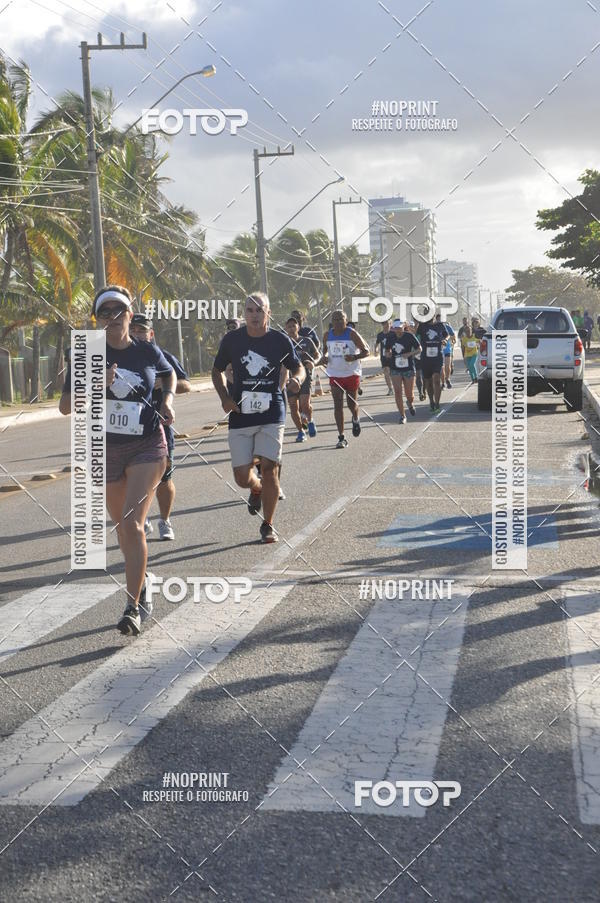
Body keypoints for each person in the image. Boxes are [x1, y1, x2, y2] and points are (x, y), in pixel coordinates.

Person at [59, 285, 176, 636]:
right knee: (123, 531)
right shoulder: (85, 353)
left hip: (147, 444)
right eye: (104, 313)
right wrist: (96, 383)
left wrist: (167, 400)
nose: (112, 318)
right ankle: (144, 580)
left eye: (118, 311)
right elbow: (65, 406)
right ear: (97, 319)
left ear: (130, 314)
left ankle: (132, 606)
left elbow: (168, 373)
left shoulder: (147, 350)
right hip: (105, 449)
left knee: (132, 523)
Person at [212, 292, 305, 543]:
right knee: (242, 478)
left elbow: (298, 366)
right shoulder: (232, 340)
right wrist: (224, 397)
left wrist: (297, 379)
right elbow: (216, 370)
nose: (254, 315)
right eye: (250, 310)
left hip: (272, 411)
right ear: (244, 313)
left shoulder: (279, 340)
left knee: (270, 468)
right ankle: (256, 487)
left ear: (268, 313)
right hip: (241, 413)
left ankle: (268, 524)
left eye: (259, 310)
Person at [130, 313, 191, 541]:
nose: (136, 334)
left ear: (151, 334)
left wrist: (163, 386)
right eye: (132, 330)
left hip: (159, 428)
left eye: (141, 331)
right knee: (131, 480)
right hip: (129, 431)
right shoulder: (117, 356)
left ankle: (165, 520)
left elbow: (185, 384)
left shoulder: (161, 357)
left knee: (164, 479)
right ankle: (141, 518)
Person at [320, 309, 369, 448]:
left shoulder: (352, 334)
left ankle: (355, 418)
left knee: (351, 404)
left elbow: (366, 351)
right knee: (337, 404)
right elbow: (324, 351)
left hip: (351, 373)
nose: (338, 322)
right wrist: (324, 357)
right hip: (334, 374)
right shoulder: (327, 335)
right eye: (335, 319)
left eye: (341, 319)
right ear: (331, 322)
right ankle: (341, 437)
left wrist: (354, 357)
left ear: (346, 321)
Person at [284, 317, 319, 441]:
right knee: (293, 406)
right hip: (290, 378)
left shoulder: (307, 341)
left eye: (294, 326)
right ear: (285, 329)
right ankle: (301, 431)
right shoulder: (284, 343)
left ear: (298, 327)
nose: (291, 328)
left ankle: (310, 420)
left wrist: (313, 362)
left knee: (305, 405)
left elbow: (317, 355)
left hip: (305, 376)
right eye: (289, 327)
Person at [383, 320, 421, 423]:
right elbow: (387, 350)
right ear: (393, 329)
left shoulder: (409, 336)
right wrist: (388, 354)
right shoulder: (390, 337)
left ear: (403, 327)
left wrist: (409, 354)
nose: (398, 330)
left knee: (409, 394)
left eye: (400, 328)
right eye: (396, 328)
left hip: (408, 368)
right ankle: (402, 415)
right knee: (398, 392)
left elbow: (419, 349)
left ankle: (410, 403)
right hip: (395, 368)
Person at [416, 314, 449, 413]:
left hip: (437, 356)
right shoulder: (422, 326)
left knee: (436, 380)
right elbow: (416, 336)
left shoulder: (440, 325)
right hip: (425, 358)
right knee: (428, 382)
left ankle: (437, 404)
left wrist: (445, 339)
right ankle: (431, 402)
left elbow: (446, 335)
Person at [436, 313, 456, 388]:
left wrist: (447, 339)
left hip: (447, 348)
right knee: (441, 367)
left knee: (447, 366)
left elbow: (453, 336)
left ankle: (447, 379)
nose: (439, 321)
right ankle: (443, 383)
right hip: (439, 349)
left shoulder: (447, 327)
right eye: (438, 319)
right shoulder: (435, 327)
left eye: (440, 319)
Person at [375, 320, 394, 395]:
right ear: (382, 325)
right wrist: (376, 350)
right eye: (384, 324)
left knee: (392, 372)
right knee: (386, 371)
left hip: (392, 356)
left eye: (388, 323)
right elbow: (377, 343)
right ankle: (390, 389)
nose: (386, 325)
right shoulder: (380, 335)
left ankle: (396, 386)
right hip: (383, 356)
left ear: (390, 324)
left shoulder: (393, 333)